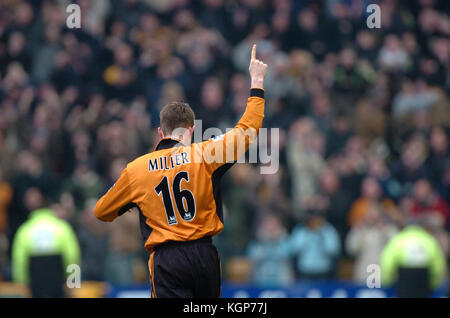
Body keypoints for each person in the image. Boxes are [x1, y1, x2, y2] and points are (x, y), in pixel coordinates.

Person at [94, 44, 268, 298]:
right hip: (204, 255)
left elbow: (101, 211)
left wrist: (135, 202)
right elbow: (247, 130)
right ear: (190, 131)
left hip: (167, 260)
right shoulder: (205, 154)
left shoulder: (137, 170)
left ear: (159, 133)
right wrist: (257, 81)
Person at [11, 207, 81, 298]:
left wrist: (21, 282)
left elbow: (19, 260)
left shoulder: (24, 230)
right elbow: (72, 256)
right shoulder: (63, 228)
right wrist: (73, 282)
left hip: (35, 285)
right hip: (58, 284)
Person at [380, 218, 447, 298]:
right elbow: (438, 267)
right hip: (424, 286)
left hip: (403, 286)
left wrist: (388, 282)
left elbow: (387, 263)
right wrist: (433, 284)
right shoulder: (430, 240)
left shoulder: (398, 239)